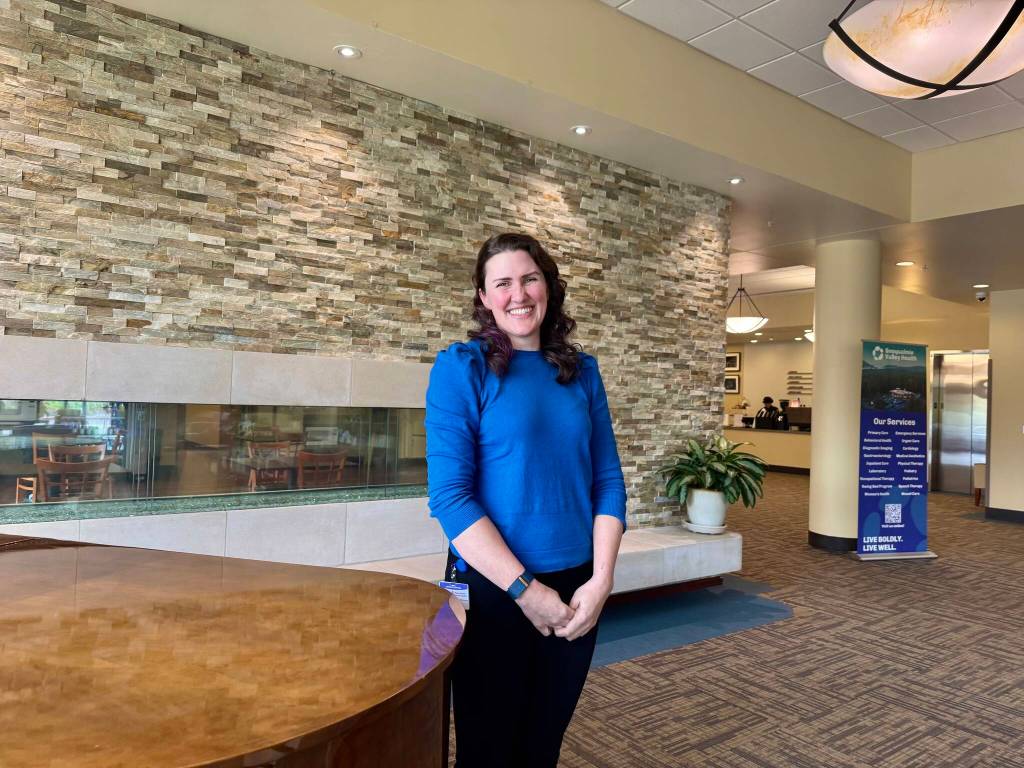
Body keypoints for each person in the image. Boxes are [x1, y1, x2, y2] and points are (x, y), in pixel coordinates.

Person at [425, 232, 627, 768]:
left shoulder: (583, 372)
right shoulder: (459, 368)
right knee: (484, 746)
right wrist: (524, 589)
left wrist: (602, 580)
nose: (519, 293)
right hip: (484, 584)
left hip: (576, 584)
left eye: (530, 278)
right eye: (503, 283)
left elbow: (607, 481)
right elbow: (449, 497)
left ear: (548, 287)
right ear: (485, 297)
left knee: (543, 742)